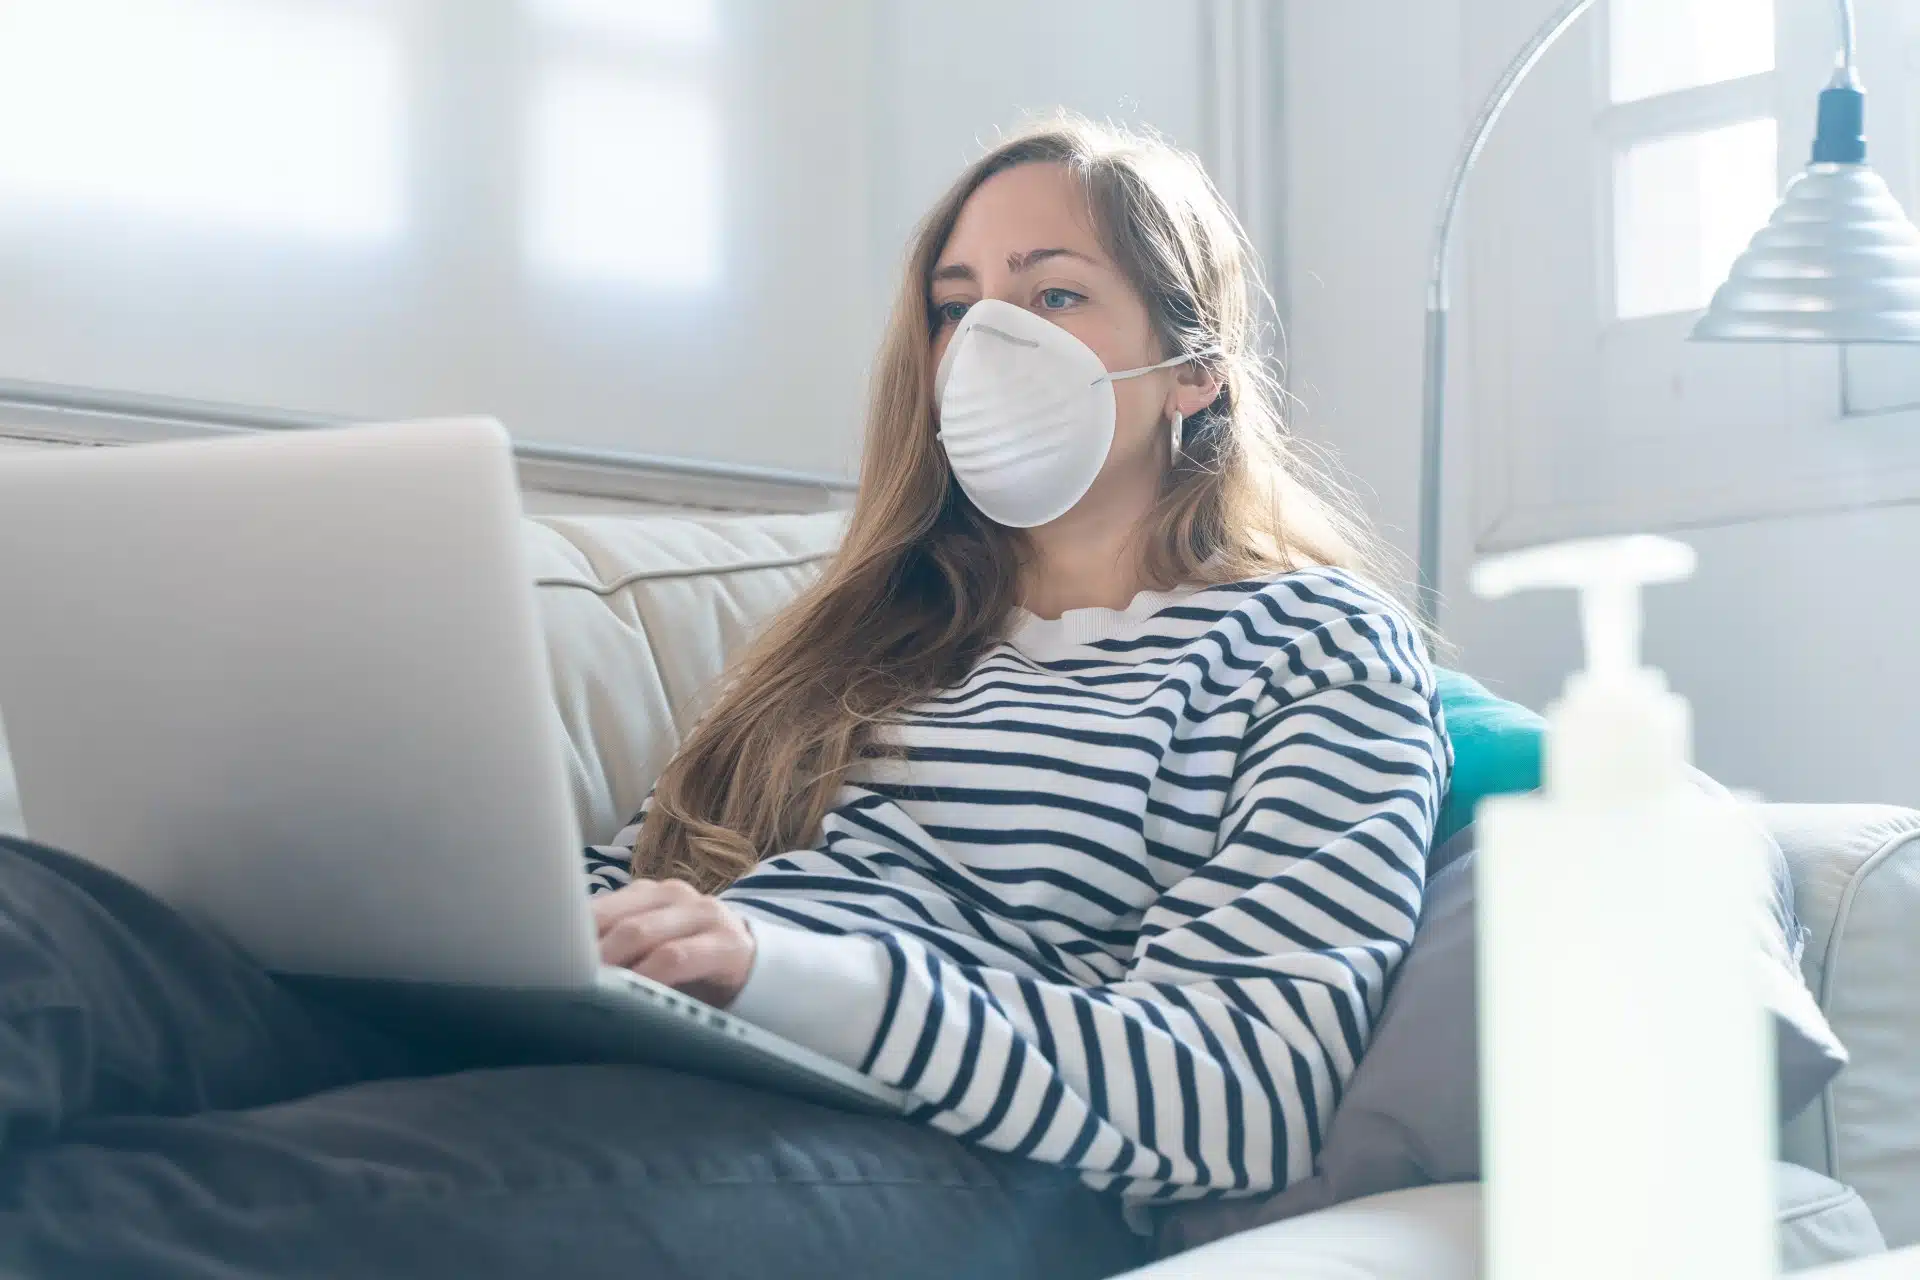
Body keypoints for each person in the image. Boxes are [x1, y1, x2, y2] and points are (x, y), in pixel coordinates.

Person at [0, 116, 1447, 1278]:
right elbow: (663, 889)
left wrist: (777, 971)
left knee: (200, 1207)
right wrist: (421, 880)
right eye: (957, 307)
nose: (987, 344)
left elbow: (1243, 1094)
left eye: (1053, 295)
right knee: (36, 925)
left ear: (1191, 374)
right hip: (662, 1029)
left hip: (940, 1147)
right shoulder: (859, 632)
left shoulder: (1313, 648)